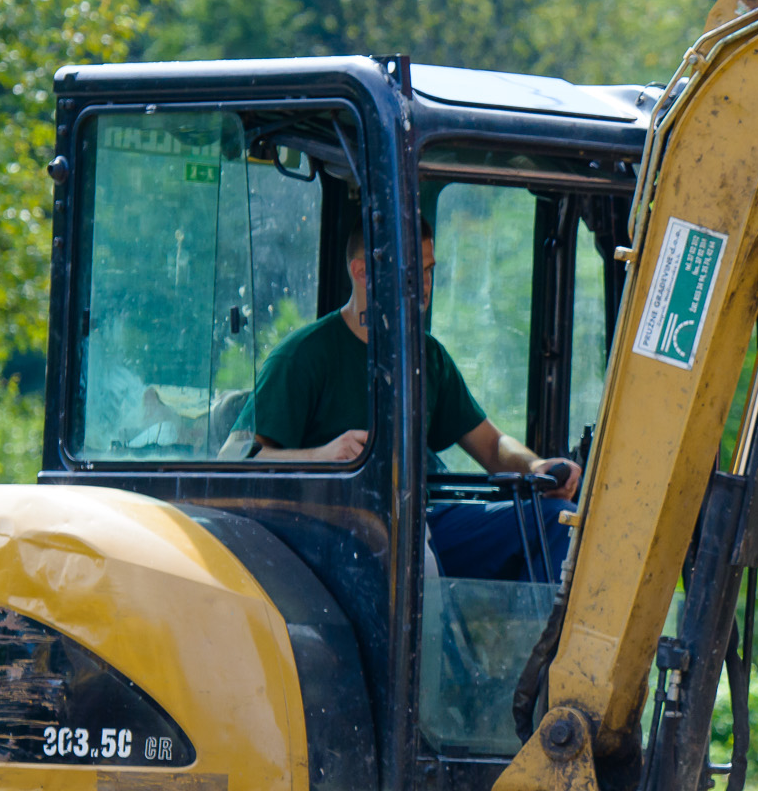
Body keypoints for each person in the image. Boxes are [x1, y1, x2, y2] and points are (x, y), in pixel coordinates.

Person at [238, 234, 579, 581]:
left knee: (557, 521)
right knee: (418, 563)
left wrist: (536, 465)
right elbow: (236, 461)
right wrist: (323, 457)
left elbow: (491, 445)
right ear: (362, 273)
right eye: (413, 272)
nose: (426, 285)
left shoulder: (426, 357)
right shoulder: (302, 357)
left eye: (429, 270)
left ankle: (534, 634)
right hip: (334, 532)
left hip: (419, 521)